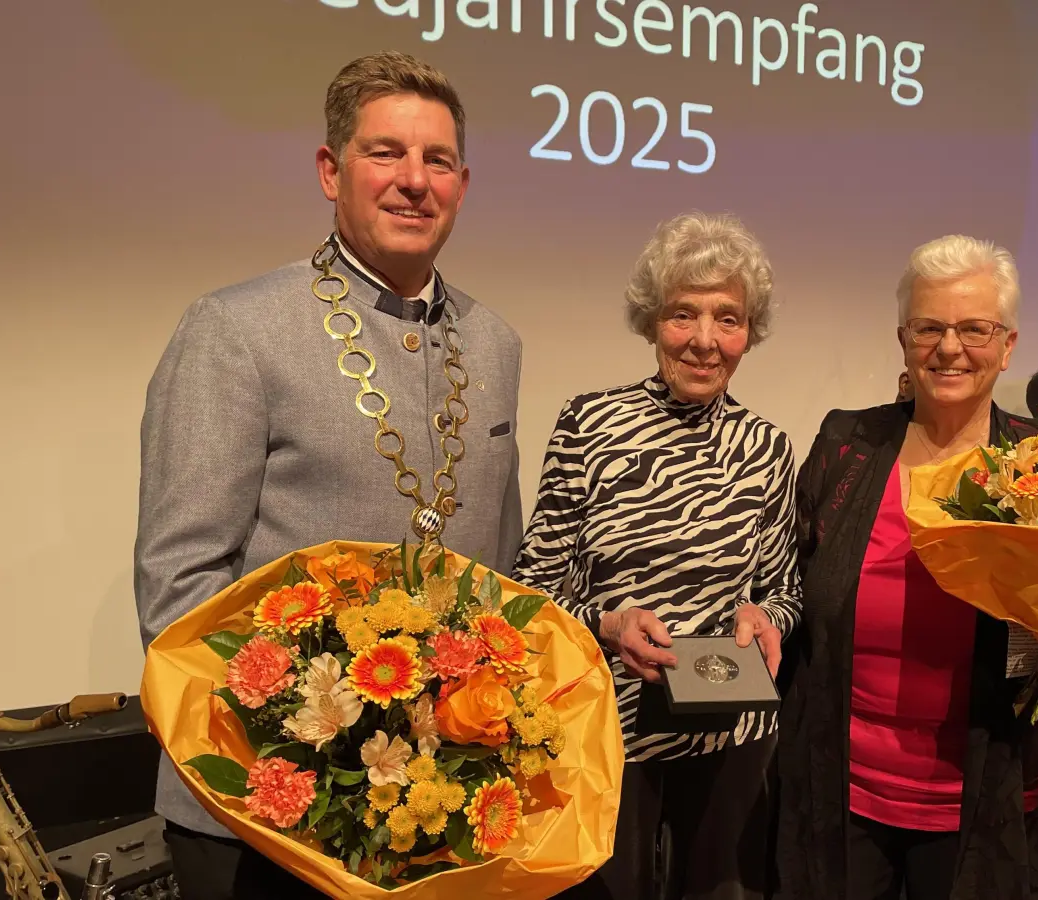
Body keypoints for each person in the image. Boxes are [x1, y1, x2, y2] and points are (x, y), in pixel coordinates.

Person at [134, 52, 523, 900]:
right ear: (329, 170)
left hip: (435, 815)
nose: (414, 181)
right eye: (386, 153)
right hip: (263, 819)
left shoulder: (495, 343)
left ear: (464, 182)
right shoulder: (235, 330)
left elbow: (500, 567)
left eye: (438, 160)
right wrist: (304, 755)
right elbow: (179, 589)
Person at [775, 236, 1038, 900]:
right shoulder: (848, 442)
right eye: (929, 327)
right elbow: (793, 579)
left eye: (974, 329)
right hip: (841, 794)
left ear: (1009, 344)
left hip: (987, 800)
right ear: (904, 338)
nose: (950, 347)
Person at [514, 212, 802, 900]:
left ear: (748, 333)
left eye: (727, 319)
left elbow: (785, 590)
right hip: (605, 727)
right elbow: (530, 590)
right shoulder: (589, 423)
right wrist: (606, 624)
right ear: (652, 322)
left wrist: (766, 619)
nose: (705, 341)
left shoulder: (766, 446)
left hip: (730, 730)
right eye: (683, 315)